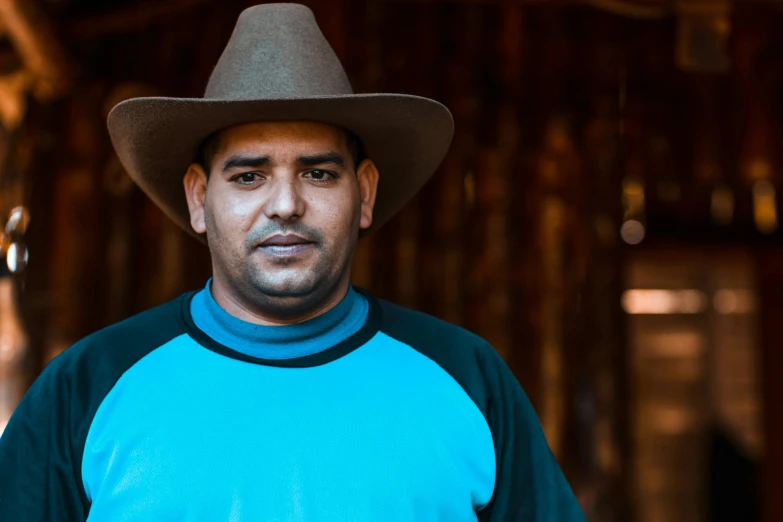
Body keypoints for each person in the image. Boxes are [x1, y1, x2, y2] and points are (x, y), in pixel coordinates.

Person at [0, 4, 586, 521]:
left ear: (366, 192)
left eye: (318, 173)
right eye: (250, 175)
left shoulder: (467, 378)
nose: (285, 204)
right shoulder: (89, 386)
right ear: (200, 199)